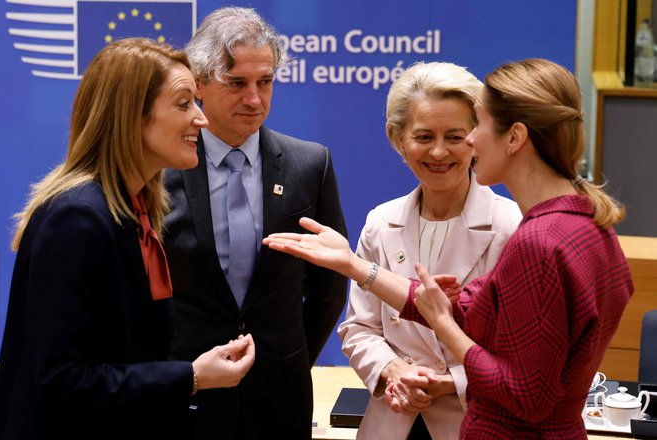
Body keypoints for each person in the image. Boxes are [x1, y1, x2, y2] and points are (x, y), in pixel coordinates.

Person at [263, 58, 634, 439]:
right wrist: (356, 267)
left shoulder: (534, 236)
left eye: (471, 130)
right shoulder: (584, 223)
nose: (464, 144)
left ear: (515, 136)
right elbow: (455, 308)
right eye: (424, 137)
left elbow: (525, 391)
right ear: (397, 139)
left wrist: (447, 355)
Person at [0, 38, 255, 440]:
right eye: (184, 103)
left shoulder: (135, 210)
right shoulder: (77, 218)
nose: (201, 120)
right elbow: (61, 382)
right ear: (133, 115)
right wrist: (190, 377)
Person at [162, 7, 348, 439]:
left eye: (265, 82)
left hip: (279, 396)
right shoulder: (159, 169)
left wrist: (289, 357)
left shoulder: (309, 164)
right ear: (200, 83)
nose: (254, 98)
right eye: (237, 83)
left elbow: (328, 288)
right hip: (185, 391)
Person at [336, 62, 522, 440]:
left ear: (478, 137)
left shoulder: (510, 225)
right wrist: (393, 370)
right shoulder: (380, 221)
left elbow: (518, 354)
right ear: (397, 138)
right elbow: (358, 328)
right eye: (423, 136)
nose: (439, 151)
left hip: (474, 423)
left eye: (455, 136)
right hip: (392, 418)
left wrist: (452, 380)